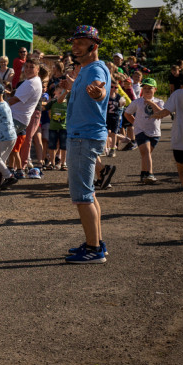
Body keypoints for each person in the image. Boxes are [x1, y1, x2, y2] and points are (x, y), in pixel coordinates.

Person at [61, 25, 111, 263]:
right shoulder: (86, 69)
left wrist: (97, 94)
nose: (75, 47)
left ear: (94, 45)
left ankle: (93, 250)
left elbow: (100, 90)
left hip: (83, 136)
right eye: (74, 42)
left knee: (82, 196)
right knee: (88, 194)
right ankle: (96, 243)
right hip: (84, 134)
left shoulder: (95, 70)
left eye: (80, 42)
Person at [123, 77, 171, 185]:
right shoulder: (137, 102)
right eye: (145, 88)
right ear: (142, 90)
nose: (147, 90)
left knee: (146, 154)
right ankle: (150, 174)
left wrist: (151, 103)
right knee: (146, 152)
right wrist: (135, 123)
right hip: (141, 131)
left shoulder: (159, 101)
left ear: (155, 90)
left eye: (150, 88)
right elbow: (127, 113)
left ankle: (143, 173)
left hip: (155, 133)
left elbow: (161, 113)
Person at [8, 59, 42, 177]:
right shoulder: (33, 81)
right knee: (13, 147)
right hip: (20, 118)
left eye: (31, 67)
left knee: (2, 147)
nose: (28, 69)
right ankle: (13, 170)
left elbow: (14, 100)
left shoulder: (31, 83)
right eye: (26, 66)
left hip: (17, 119)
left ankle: (3, 174)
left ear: (38, 69)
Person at [166, 83, 183, 190]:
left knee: (182, 170)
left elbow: (165, 111)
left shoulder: (178, 94)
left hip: (181, 139)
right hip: (180, 139)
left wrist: (155, 115)